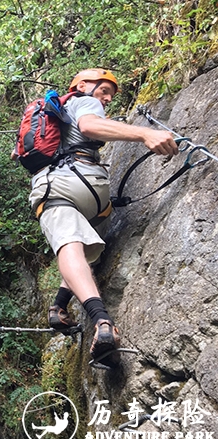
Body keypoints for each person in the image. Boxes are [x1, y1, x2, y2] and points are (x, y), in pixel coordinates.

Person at [29, 68, 178, 363]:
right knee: (83, 251)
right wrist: (144, 132)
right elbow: (89, 126)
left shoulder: (57, 115)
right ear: (82, 85)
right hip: (92, 187)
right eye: (104, 90)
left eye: (110, 94)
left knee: (68, 245)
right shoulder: (83, 101)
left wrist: (145, 133)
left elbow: (86, 127)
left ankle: (101, 321)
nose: (107, 98)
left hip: (58, 185)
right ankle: (59, 305)